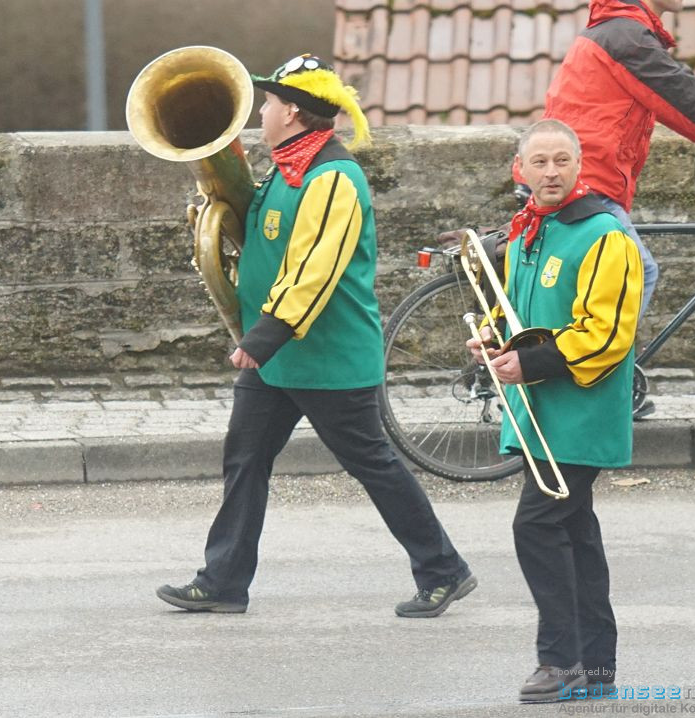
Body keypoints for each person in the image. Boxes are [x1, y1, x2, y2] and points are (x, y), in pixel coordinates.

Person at [155, 53, 475, 617]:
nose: (261, 110)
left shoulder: (335, 176)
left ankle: (444, 568)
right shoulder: (287, 168)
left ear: (295, 113)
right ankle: (224, 580)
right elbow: (270, 232)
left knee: (372, 464)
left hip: (323, 356)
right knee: (245, 459)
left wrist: (261, 338)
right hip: (281, 359)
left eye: (271, 102)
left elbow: (315, 269)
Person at [467, 119, 643, 702]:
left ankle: (559, 660)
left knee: (536, 525)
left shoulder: (604, 234)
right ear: (521, 170)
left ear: (578, 166)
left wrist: (534, 364)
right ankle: (595, 662)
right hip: (539, 408)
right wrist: (493, 340)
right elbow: (516, 310)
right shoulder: (525, 234)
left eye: (561, 161)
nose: (550, 172)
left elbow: (608, 331)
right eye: (538, 162)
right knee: (574, 530)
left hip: (581, 409)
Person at [536, 0, 695, 320]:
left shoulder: (617, 31)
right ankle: (603, 366)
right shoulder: (626, 37)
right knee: (639, 272)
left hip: (576, 177)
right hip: (584, 183)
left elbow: (676, 105)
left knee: (590, 289)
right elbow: (683, 95)